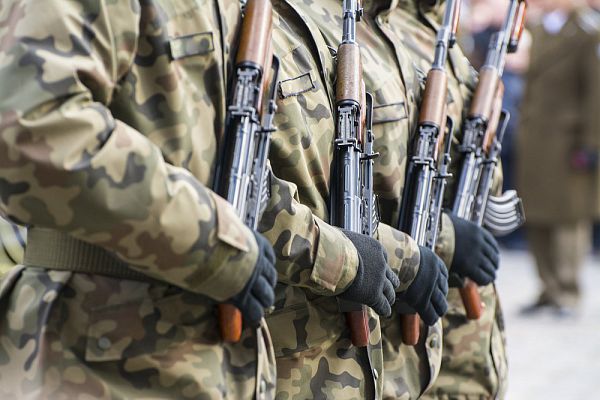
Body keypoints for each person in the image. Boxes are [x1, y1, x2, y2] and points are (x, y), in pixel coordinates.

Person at [0, 1, 280, 398]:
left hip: (207, 365)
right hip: (101, 367)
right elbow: (29, 129)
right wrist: (213, 244)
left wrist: (346, 261)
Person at [263, 0, 449, 397]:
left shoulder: (332, 25)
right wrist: (402, 252)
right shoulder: (265, 21)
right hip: (289, 357)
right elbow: (246, 190)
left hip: (361, 355)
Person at [388, 1, 507, 398]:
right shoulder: (387, 33)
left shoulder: (443, 37)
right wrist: (446, 235)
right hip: (418, 317)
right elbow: (372, 185)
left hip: (468, 334)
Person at [517, 0, 600, 315]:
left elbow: (596, 94)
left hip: (569, 141)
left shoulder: (589, 32)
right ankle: (547, 287)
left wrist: (592, 144)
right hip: (538, 139)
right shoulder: (538, 28)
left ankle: (568, 289)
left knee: (568, 218)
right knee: (537, 216)